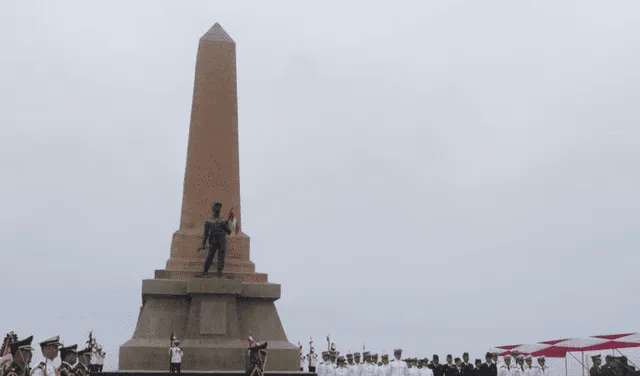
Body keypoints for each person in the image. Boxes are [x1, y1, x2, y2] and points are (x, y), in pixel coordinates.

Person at [198, 202, 233, 277]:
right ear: (213, 208)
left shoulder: (223, 220)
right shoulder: (208, 221)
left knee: (221, 255)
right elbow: (205, 234)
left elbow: (229, 232)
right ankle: (205, 271)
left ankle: (219, 271)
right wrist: (203, 244)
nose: (219, 209)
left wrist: (225, 226)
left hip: (222, 240)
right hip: (213, 239)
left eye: (220, 207)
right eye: (217, 207)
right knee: (210, 255)